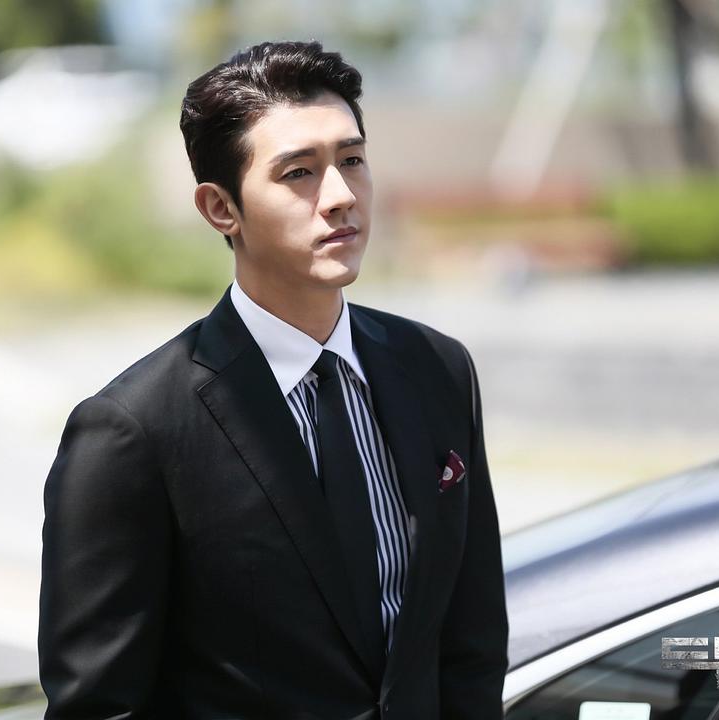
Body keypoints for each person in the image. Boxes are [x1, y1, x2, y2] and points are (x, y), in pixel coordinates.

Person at [37, 40, 509, 719]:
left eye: (352, 160)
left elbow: (472, 642)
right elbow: (100, 707)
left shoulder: (437, 368)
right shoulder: (133, 431)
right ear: (220, 208)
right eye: (299, 173)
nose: (341, 197)